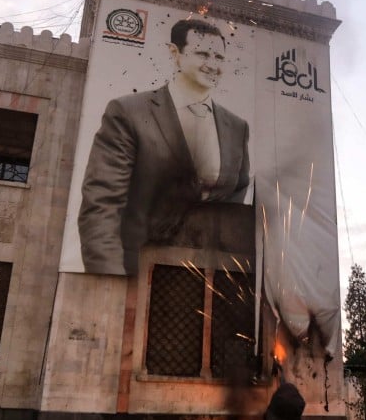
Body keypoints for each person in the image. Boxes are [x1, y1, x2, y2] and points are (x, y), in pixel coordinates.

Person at [78, 18, 251, 276]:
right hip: (137, 274)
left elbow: (233, 203)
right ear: (175, 54)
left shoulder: (237, 127)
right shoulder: (128, 112)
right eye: (202, 54)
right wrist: (110, 277)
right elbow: (101, 206)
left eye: (218, 57)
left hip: (207, 280)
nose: (212, 65)